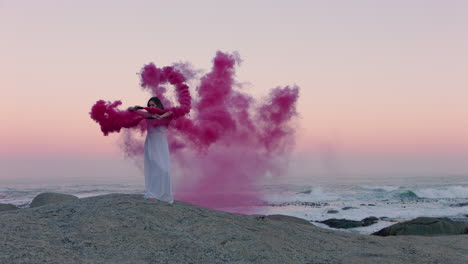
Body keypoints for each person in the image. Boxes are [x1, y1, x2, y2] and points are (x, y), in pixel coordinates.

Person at [128, 97, 173, 203]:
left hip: (161, 144)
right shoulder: (148, 115)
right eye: (150, 105)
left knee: (164, 169)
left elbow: (171, 112)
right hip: (151, 143)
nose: (151, 107)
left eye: (153, 105)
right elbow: (129, 110)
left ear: (158, 105)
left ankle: (163, 194)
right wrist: (134, 108)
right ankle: (152, 193)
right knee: (153, 167)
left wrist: (160, 116)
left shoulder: (164, 116)